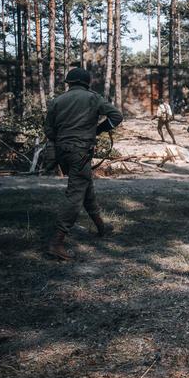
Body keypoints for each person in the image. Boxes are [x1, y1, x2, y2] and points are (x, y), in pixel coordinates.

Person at [44, 67, 123, 260]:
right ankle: (57, 242)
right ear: (87, 83)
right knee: (76, 193)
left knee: (85, 186)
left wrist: (63, 140)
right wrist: (97, 130)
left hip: (63, 151)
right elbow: (117, 116)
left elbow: (48, 129)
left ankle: (101, 227)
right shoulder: (93, 97)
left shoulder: (57, 101)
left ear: (69, 83)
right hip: (81, 151)